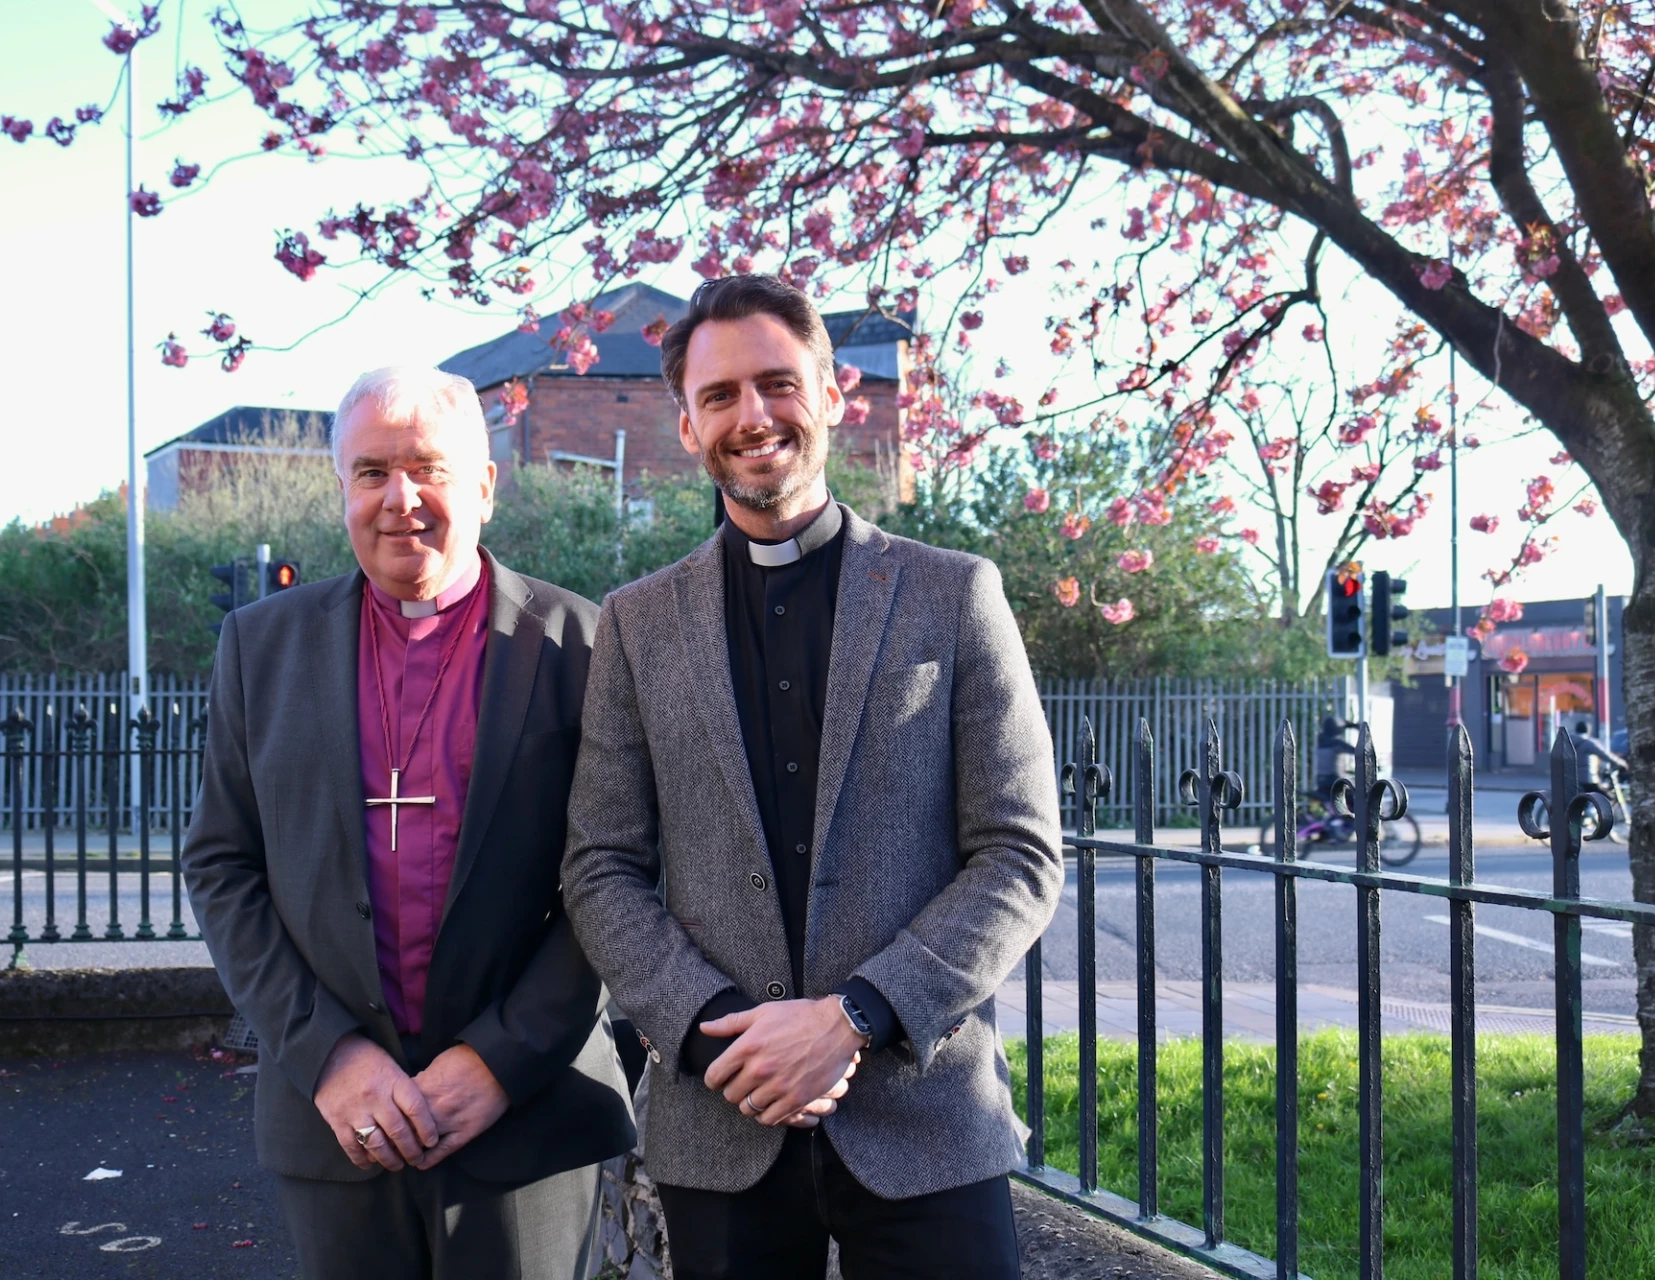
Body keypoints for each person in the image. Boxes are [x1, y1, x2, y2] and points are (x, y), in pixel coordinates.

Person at [561, 274, 1063, 1279]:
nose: (752, 415)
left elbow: (1018, 854)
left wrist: (855, 1016)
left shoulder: (954, 594)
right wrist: (718, 1038)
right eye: (719, 396)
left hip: (926, 1117)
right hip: (722, 1117)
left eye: (777, 383)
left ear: (833, 395)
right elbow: (599, 865)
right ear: (688, 426)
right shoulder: (636, 624)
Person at [183, 367, 635, 1280]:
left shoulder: (583, 647)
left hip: (531, 1115)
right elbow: (223, 866)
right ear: (342, 489)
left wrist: (500, 1060)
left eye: (428, 468)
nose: (400, 500)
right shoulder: (260, 647)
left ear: (485, 485)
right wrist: (328, 1056)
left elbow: (618, 875)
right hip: (335, 1117)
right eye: (371, 472)